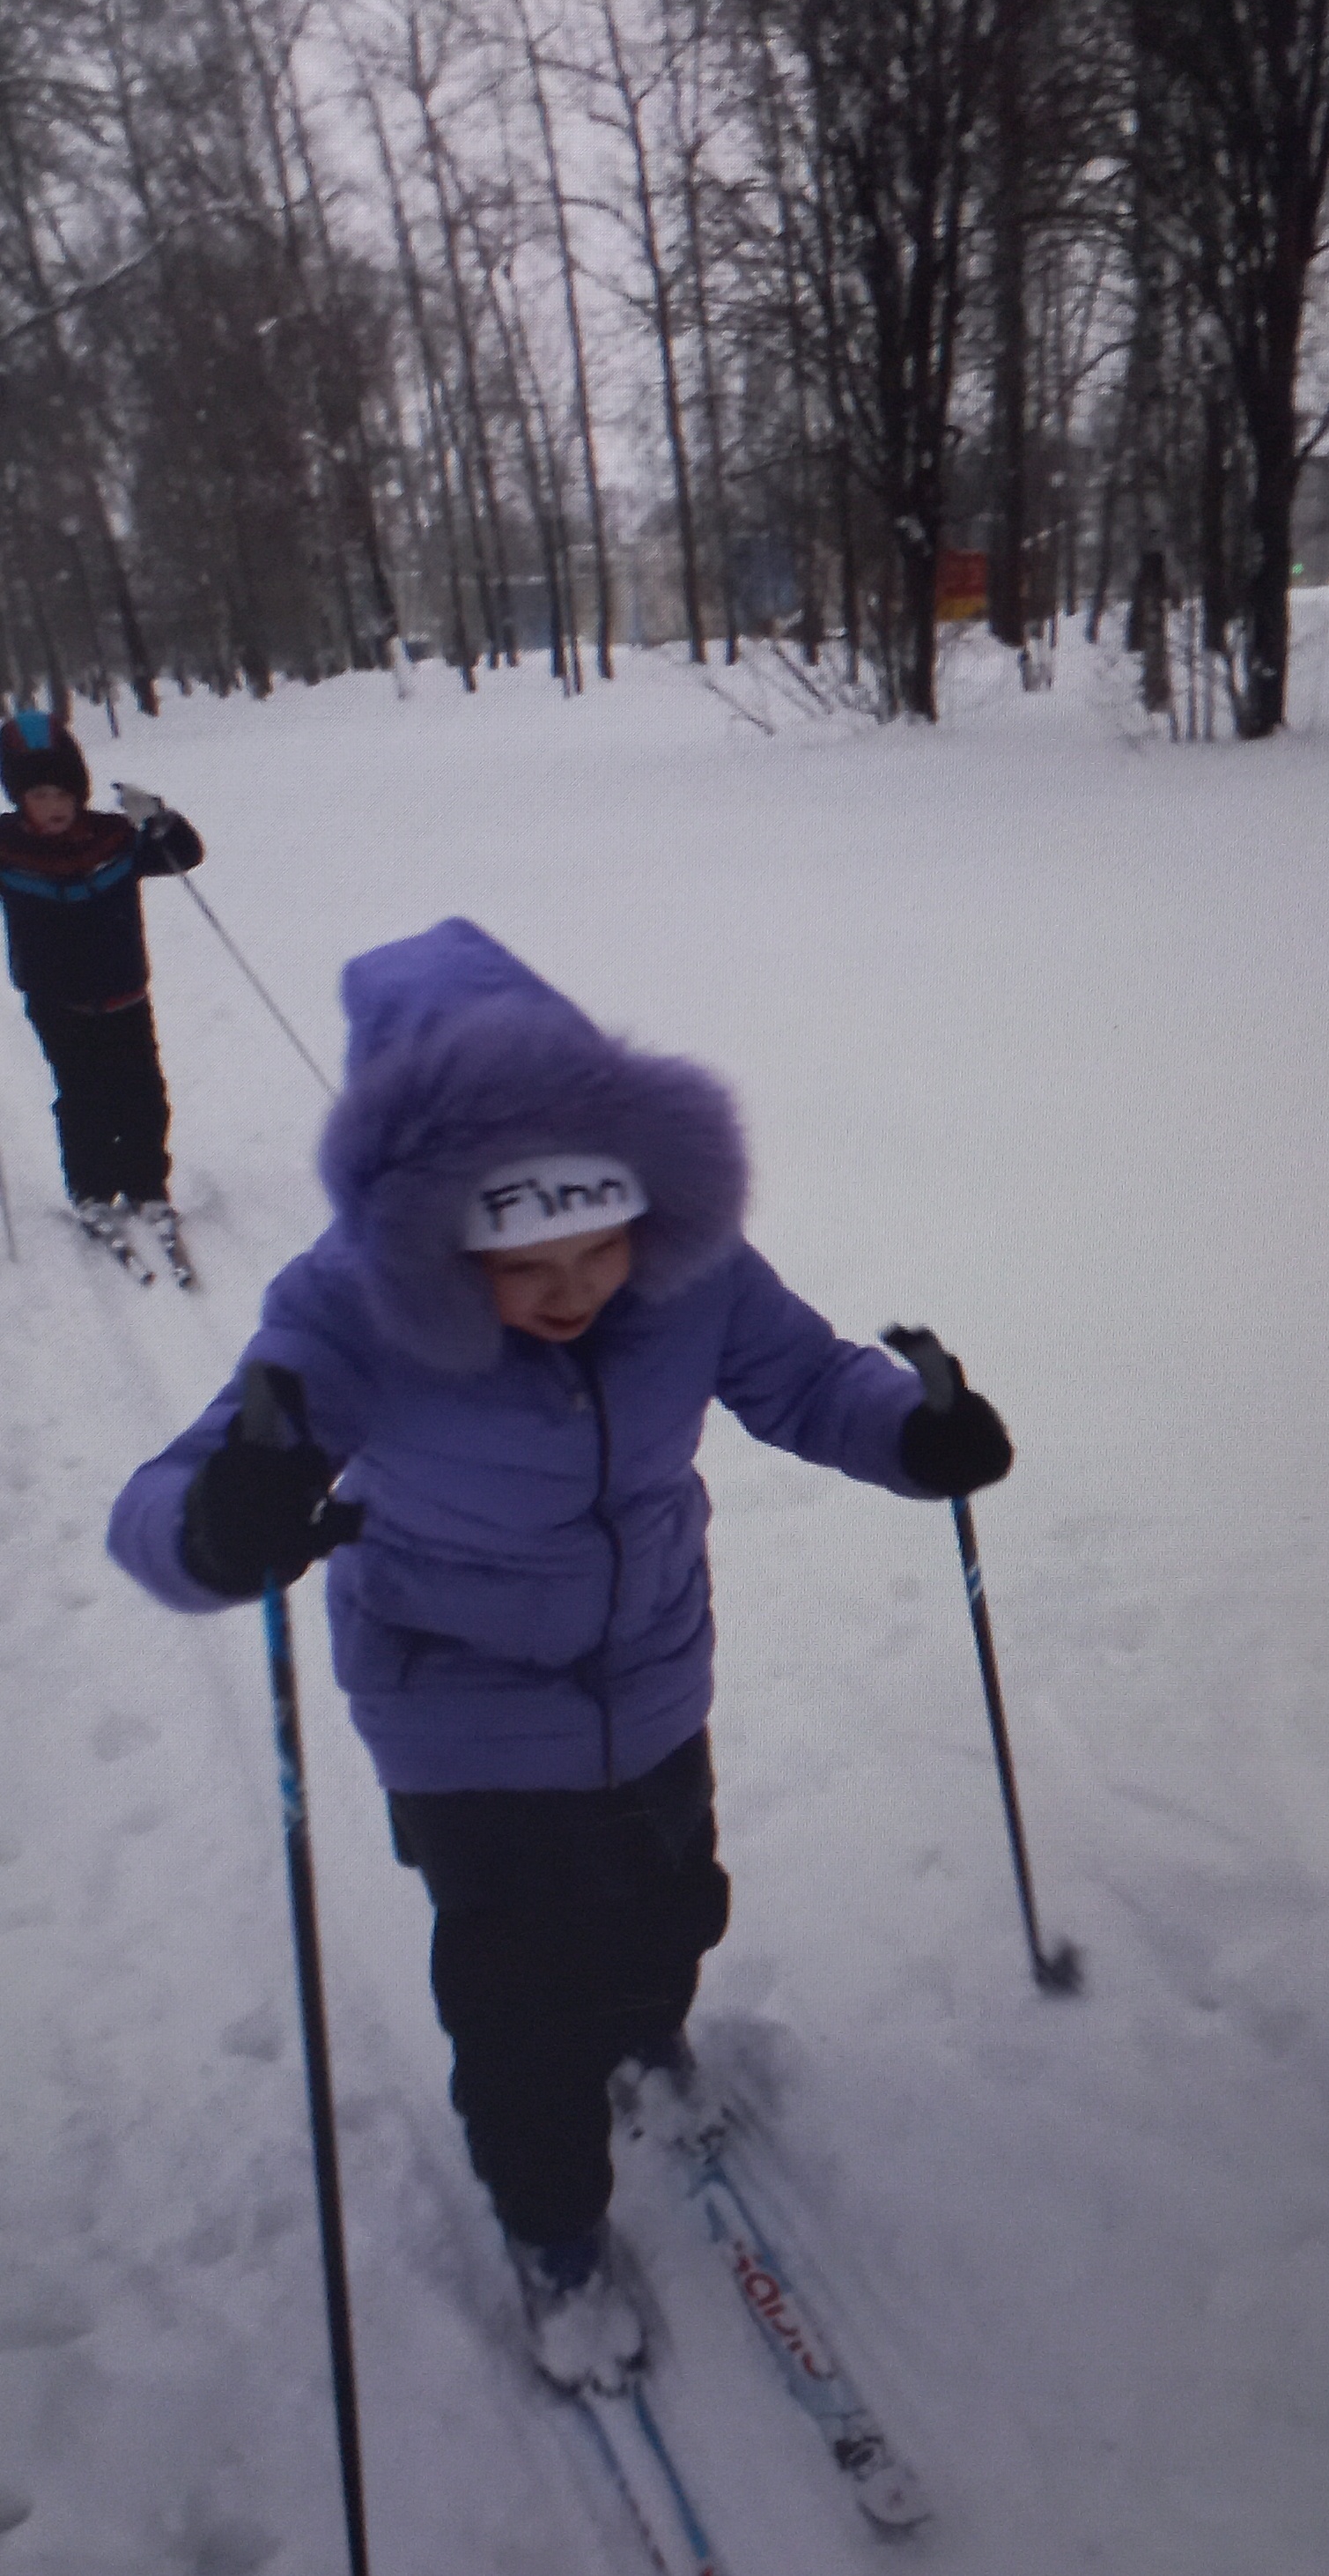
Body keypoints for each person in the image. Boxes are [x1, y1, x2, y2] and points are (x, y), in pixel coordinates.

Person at [107, 918, 1012, 2395]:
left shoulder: (689, 1265)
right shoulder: (348, 1310)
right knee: (519, 2002)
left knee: (671, 1900)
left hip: (652, 1671)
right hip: (456, 1709)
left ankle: (649, 2035)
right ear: (439, 1224)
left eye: (601, 1246)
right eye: (527, 1261)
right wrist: (221, 1525)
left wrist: (911, 1433)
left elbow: (799, 1376)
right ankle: (553, 2229)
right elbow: (167, 1495)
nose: (577, 1286)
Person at [0, 708, 203, 1253]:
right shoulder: (7, 847)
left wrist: (161, 821)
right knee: (82, 1095)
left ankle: (146, 1185)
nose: (54, 807)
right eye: (39, 796)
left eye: (63, 794)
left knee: (141, 1090)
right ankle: (92, 1189)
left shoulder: (114, 837)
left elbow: (185, 856)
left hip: (123, 991)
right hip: (54, 997)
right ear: (19, 799)